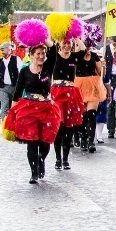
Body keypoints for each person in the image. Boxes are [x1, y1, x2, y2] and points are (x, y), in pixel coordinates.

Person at [5, 39, 61, 183]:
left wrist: (43, 38)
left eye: (43, 53)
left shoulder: (48, 67)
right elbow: (17, 92)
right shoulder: (24, 70)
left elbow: (53, 49)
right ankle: (34, 172)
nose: (41, 56)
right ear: (31, 55)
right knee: (32, 141)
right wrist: (12, 113)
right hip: (28, 109)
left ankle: (41, 159)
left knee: (45, 142)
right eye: (38, 53)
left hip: (47, 108)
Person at [49, 39, 85, 170]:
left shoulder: (74, 57)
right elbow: (49, 45)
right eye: (64, 43)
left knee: (68, 128)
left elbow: (83, 49)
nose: (66, 45)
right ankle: (58, 159)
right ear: (59, 44)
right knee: (58, 127)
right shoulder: (54, 55)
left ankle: (66, 159)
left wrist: (75, 37)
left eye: (68, 43)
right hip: (57, 94)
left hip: (70, 94)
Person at [75, 45, 105, 153]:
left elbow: (101, 73)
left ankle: (91, 141)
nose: (86, 48)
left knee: (91, 114)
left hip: (93, 86)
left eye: (88, 45)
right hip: (79, 86)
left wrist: (103, 66)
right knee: (82, 115)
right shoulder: (76, 56)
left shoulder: (94, 56)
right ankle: (83, 138)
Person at [0, 41, 21, 119]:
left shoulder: (16, 59)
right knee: (4, 105)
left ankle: (13, 123)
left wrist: (23, 84)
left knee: (14, 106)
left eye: (3, 49)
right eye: (1, 50)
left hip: (14, 87)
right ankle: (4, 126)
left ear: (9, 49)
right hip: (2, 88)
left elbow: (21, 72)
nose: (2, 51)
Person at [104, 36, 116, 139]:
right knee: (111, 104)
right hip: (110, 78)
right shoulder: (105, 50)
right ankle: (110, 129)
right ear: (111, 40)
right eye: (115, 41)